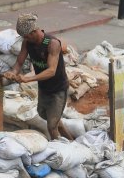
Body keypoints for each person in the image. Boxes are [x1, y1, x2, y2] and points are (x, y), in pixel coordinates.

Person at [4, 13, 73, 141]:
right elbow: (19, 62)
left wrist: (28, 79)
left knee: (51, 127)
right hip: (44, 88)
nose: (25, 38)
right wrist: (13, 72)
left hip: (58, 89)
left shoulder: (52, 43)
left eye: (26, 35)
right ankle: (72, 141)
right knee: (47, 116)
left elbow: (51, 70)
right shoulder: (27, 42)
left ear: (34, 31)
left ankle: (60, 152)